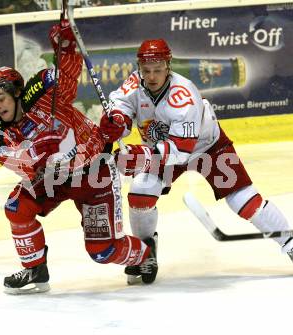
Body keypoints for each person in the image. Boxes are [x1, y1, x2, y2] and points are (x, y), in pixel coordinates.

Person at [100, 38, 293, 284]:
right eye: (146, 70)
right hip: (162, 149)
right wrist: (117, 121)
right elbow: (122, 106)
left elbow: (181, 150)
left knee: (244, 200)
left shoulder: (184, 94)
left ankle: (289, 241)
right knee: (140, 193)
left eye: (158, 70)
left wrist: (139, 157)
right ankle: (145, 251)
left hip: (207, 147)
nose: (151, 76)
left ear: (168, 66)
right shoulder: (134, 83)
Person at [0, 20, 153, 294]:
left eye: (1, 97)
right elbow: (28, 171)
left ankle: (145, 254)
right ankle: (35, 270)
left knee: (103, 251)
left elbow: (68, 74)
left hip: (93, 173)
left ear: (16, 92)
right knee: (17, 207)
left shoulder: (41, 93)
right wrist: (42, 158)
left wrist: (64, 46)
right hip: (54, 179)